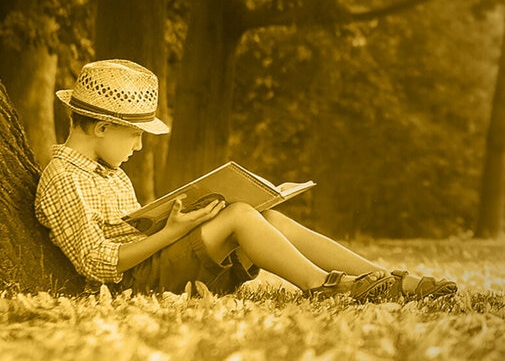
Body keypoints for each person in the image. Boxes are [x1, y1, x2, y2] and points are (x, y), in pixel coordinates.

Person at [34, 59, 458, 302]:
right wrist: (175, 232)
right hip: (133, 282)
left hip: (155, 263)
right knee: (238, 215)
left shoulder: (111, 175)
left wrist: (176, 221)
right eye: (135, 135)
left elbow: (132, 230)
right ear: (103, 127)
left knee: (264, 215)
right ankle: (322, 286)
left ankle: (385, 278)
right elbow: (99, 264)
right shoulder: (62, 179)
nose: (140, 147)